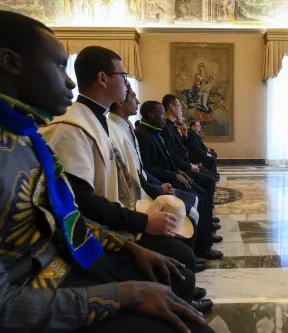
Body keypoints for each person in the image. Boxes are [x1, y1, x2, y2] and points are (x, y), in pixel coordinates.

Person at [0, 10, 211, 333]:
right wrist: (125, 294)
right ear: (11, 62)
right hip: (22, 297)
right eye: (59, 66)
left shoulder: (20, 130)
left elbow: (66, 218)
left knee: (174, 283)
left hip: (62, 264)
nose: (68, 81)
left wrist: (130, 248)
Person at [39, 46, 212, 313]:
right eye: (124, 75)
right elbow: (79, 203)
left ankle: (179, 300)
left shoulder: (104, 122)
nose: (128, 84)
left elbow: (127, 173)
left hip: (118, 219)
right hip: (96, 233)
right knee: (180, 259)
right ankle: (175, 303)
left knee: (182, 251)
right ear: (103, 78)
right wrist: (143, 221)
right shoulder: (70, 127)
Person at [108, 83, 209, 274]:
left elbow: (143, 168)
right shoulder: (121, 130)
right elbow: (137, 172)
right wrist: (159, 187)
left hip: (153, 184)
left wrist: (175, 175)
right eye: (133, 96)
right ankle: (188, 262)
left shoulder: (127, 127)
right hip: (139, 197)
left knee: (197, 200)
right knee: (192, 209)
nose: (137, 101)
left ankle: (193, 256)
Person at [135, 101, 223, 260]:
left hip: (171, 174)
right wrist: (175, 175)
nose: (163, 118)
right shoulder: (144, 134)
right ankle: (201, 246)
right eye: (161, 114)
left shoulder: (155, 131)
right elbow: (149, 167)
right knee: (200, 196)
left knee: (203, 190)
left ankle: (204, 237)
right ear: (151, 115)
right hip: (163, 180)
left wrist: (180, 171)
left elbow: (169, 158)